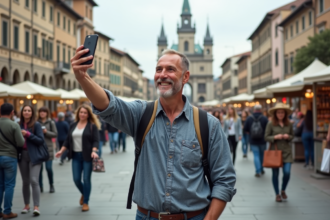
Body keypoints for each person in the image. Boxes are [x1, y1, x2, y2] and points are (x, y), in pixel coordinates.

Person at [70, 47, 236, 219]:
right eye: (158, 69)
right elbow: (109, 105)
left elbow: (224, 180)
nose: (162, 74)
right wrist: (82, 77)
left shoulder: (209, 125)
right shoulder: (141, 114)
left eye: (170, 69)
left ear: (185, 76)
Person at [55, 105, 100, 212]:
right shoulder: (73, 125)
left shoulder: (92, 126)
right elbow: (67, 140)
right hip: (75, 155)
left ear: (88, 114)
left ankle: (86, 202)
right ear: (78, 113)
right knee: (76, 179)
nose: (83, 114)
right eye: (81, 112)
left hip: (88, 156)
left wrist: (94, 151)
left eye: (85, 112)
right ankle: (85, 193)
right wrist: (61, 151)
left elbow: (96, 140)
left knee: (86, 179)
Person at [19, 105, 45, 216]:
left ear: (32, 112)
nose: (26, 112)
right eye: (25, 110)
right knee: (25, 182)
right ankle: (26, 205)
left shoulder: (36, 124)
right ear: (22, 112)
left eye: (29, 110)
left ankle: (36, 206)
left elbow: (40, 140)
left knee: (34, 180)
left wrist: (28, 134)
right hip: (22, 155)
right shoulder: (18, 125)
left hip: (34, 155)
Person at [265, 103, 294, 203]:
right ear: (275, 114)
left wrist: (288, 136)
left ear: (285, 114)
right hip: (275, 152)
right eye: (278, 112)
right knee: (275, 174)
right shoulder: (270, 123)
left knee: (287, 172)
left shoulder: (289, 123)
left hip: (287, 152)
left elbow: (292, 136)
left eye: (282, 112)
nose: (280, 114)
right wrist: (275, 137)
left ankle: (283, 190)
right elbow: (266, 137)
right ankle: (277, 194)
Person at [0, 103, 25, 219]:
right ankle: (7, 211)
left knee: (0, 185)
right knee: (9, 185)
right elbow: (21, 143)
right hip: (10, 157)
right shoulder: (14, 125)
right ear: (12, 113)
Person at [244, 105, 268, 177]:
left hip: (253, 140)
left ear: (254, 110)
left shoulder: (249, 118)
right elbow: (268, 129)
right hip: (263, 140)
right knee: (262, 155)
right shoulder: (264, 118)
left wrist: (251, 133)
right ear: (261, 110)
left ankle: (258, 171)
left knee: (256, 155)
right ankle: (262, 169)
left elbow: (245, 129)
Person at [37, 107, 58, 193]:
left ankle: (51, 185)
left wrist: (46, 132)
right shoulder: (36, 122)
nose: (42, 113)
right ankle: (40, 186)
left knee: (49, 168)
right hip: (38, 148)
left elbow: (55, 134)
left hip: (48, 148)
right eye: (41, 112)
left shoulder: (51, 122)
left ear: (47, 113)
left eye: (44, 112)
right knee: (39, 169)